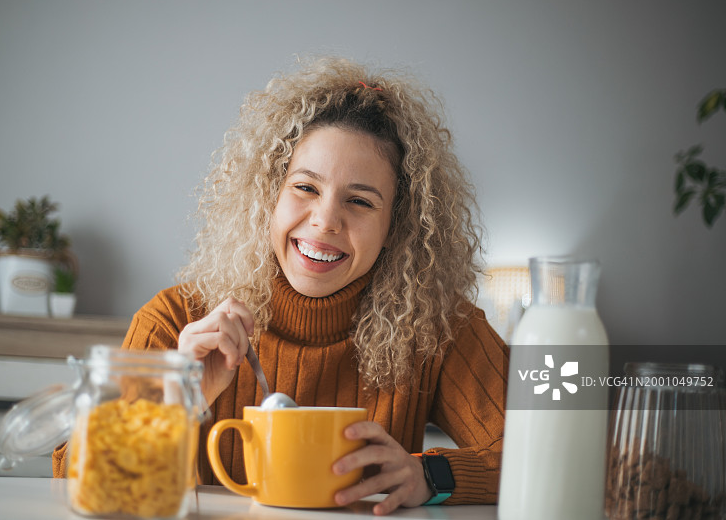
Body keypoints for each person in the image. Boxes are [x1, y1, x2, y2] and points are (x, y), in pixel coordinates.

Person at [53, 56, 508, 516]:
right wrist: (175, 401)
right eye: (305, 188)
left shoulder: (437, 327)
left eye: (359, 201)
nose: (325, 221)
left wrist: (431, 476)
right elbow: (73, 473)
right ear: (269, 193)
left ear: (398, 225)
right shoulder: (176, 321)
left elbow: (568, 442)